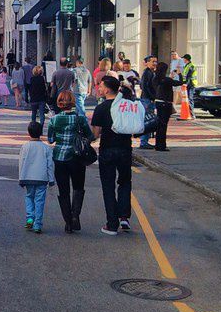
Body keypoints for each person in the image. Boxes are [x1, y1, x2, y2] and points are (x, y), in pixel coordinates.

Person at [91, 76, 134, 235]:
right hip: (125, 148)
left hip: (107, 149)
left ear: (108, 89)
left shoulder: (101, 108)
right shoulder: (125, 106)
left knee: (108, 186)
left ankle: (112, 224)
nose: (99, 88)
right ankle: (124, 216)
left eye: (101, 86)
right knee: (125, 182)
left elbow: (95, 134)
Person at [47, 90, 93, 234]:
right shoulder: (80, 119)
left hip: (59, 158)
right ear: (72, 102)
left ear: (59, 103)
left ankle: (67, 221)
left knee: (63, 190)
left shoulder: (54, 120)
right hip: (76, 158)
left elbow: (50, 139)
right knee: (78, 187)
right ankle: (75, 216)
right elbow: (90, 136)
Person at [18, 121, 53, 234]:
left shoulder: (25, 147)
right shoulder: (46, 148)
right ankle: (37, 224)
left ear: (29, 133)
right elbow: (50, 165)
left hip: (28, 176)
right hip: (42, 178)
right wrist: (51, 179)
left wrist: (21, 177)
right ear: (41, 133)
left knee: (29, 197)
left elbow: (21, 163)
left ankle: (30, 217)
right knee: (40, 200)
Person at [153, 62, 184, 152]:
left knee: (160, 125)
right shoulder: (166, 80)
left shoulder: (155, 78)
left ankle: (158, 144)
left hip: (158, 102)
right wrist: (179, 74)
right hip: (165, 103)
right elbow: (180, 83)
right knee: (163, 125)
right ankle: (162, 145)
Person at [138, 56, 158, 149]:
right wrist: (152, 97)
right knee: (147, 120)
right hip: (147, 100)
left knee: (149, 120)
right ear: (147, 63)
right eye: (153, 61)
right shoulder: (147, 73)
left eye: (156, 61)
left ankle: (145, 141)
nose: (155, 63)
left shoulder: (151, 72)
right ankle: (144, 142)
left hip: (148, 99)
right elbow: (145, 86)